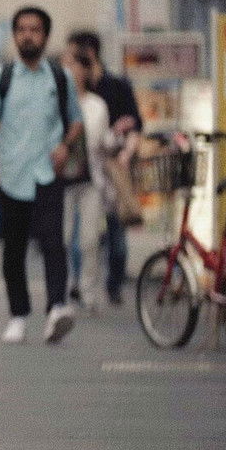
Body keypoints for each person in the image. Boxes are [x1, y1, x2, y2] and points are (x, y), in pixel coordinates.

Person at [0, 6, 83, 346]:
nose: (28, 35)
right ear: (14, 35)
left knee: (53, 240)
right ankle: (18, 315)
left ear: (46, 36)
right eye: (21, 29)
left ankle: (56, 308)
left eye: (35, 29)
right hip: (11, 172)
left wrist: (65, 145)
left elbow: (75, 119)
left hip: (48, 172)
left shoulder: (59, 76)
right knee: (15, 248)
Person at [66, 30, 142, 305]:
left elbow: (135, 124)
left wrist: (124, 151)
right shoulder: (68, 95)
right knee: (78, 236)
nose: (69, 66)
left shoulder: (114, 88)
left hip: (108, 170)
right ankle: (80, 283)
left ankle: (112, 284)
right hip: (74, 175)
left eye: (73, 58)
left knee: (115, 231)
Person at [61, 51, 113, 313]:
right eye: (64, 65)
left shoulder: (97, 105)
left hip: (90, 178)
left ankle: (88, 290)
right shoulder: (54, 103)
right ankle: (65, 287)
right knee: (63, 237)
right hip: (60, 179)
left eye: (73, 65)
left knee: (89, 239)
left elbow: (102, 143)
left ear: (84, 71)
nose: (68, 70)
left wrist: (116, 140)